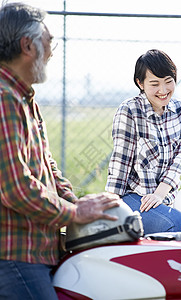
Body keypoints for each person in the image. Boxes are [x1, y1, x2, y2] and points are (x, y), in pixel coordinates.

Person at [0, 3, 120, 300]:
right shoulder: (4, 99)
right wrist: (75, 213)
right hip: (14, 257)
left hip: (35, 252)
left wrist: (78, 203)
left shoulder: (23, 97)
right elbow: (15, 187)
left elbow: (45, 166)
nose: (52, 49)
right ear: (28, 45)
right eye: (49, 40)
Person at [105, 49, 181, 240]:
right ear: (140, 83)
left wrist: (160, 195)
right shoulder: (129, 110)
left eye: (168, 81)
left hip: (165, 197)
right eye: (154, 84)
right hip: (133, 197)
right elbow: (120, 164)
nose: (163, 90)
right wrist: (109, 208)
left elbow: (179, 158)